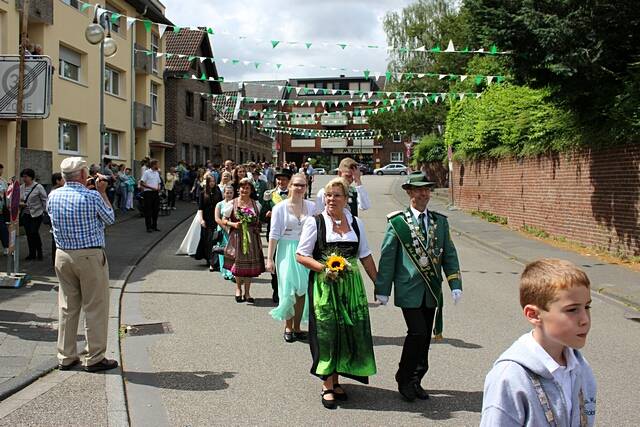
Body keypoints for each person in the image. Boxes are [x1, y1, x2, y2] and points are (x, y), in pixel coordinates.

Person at [374, 174, 462, 402]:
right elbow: (387, 257)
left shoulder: (440, 222)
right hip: (408, 288)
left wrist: (455, 283)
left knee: (424, 338)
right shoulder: (398, 222)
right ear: (409, 192)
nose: (424, 194)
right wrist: (383, 288)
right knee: (418, 332)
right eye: (419, 190)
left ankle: (416, 379)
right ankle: (404, 377)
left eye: (427, 190)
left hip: (431, 288)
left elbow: (449, 254)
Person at [480, 259, 597, 427]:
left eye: (587, 307)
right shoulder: (510, 377)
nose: (585, 319)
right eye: (572, 310)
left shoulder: (580, 367)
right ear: (534, 315)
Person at [296, 177, 378, 410]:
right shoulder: (316, 222)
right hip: (324, 286)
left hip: (351, 287)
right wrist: (324, 268)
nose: (331, 199)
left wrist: (378, 284)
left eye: (337, 195)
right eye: (328, 195)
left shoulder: (356, 223)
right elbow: (301, 255)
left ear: (346, 199)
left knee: (348, 331)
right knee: (327, 331)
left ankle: (337, 378)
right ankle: (327, 384)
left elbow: (365, 256)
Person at [47, 157, 117, 372]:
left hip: (62, 255)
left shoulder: (53, 196)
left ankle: (66, 356)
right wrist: (103, 192)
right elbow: (110, 218)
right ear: (83, 174)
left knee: (67, 306)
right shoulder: (93, 196)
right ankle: (94, 357)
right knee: (94, 306)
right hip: (89, 256)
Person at [266, 173, 317, 342]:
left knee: (302, 289)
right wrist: (269, 258)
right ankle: (288, 326)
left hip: (305, 249)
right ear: (290, 186)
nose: (299, 188)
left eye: (302, 185)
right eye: (296, 185)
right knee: (288, 289)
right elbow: (273, 234)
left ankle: (297, 327)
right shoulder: (279, 208)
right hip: (286, 249)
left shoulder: (311, 206)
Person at [222, 178, 265, 304]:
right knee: (238, 265)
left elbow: (259, 221)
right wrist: (233, 224)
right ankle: (238, 289)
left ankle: (247, 292)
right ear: (238, 189)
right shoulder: (232, 203)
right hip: (237, 237)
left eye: (247, 188)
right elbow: (223, 219)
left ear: (251, 190)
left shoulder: (256, 204)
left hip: (251, 238)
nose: (244, 190)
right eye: (242, 188)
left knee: (249, 267)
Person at [261, 169, 292, 303]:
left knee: (289, 263)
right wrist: (267, 214)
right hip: (274, 234)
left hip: (291, 235)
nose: (281, 182)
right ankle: (276, 289)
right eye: (278, 179)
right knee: (274, 262)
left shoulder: (294, 194)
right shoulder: (269, 195)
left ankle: (289, 289)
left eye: (284, 179)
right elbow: (262, 214)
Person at [194, 175, 223, 271]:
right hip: (206, 219)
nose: (212, 183)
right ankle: (209, 259)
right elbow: (200, 208)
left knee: (214, 240)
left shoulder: (218, 193)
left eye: (213, 181)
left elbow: (221, 206)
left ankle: (213, 261)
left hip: (215, 218)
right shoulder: (203, 193)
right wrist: (201, 220)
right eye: (210, 181)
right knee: (207, 240)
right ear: (207, 182)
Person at [20, 168, 48, 261]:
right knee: (28, 234)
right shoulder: (21, 187)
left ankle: (39, 251)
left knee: (34, 232)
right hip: (26, 214)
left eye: (26, 177)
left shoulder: (38, 187)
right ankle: (31, 253)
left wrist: (46, 211)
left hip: (37, 214)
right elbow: (18, 199)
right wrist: (20, 203)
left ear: (31, 177)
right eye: (23, 177)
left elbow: (44, 199)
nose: (24, 179)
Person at [214, 184, 235, 280]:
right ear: (224, 193)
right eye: (227, 193)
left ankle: (231, 272)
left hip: (233, 229)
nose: (229, 194)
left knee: (232, 251)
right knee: (223, 250)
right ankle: (224, 271)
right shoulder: (219, 204)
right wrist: (226, 228)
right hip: (222, 230)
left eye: (231, 193)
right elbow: (217, 218)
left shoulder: (236, 203)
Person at [140, 159, 162, 233]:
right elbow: (142, 183)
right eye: (157, 164)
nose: (158, 166)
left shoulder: (156, 173)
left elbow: (159, 182)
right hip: (148, 193)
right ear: (153, 165)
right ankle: (148, 227)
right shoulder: (147, 172)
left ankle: (154, 226)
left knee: (156, 210)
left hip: (155, 193)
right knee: (148, 210)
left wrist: (158, 187)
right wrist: (151, 187)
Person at [48, 172, 64, 264]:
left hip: (55, 219)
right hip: (56, 219)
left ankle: (55, 259)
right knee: (55, 240)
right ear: (58, 181)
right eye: (62, 179)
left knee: (55, 239)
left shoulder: (53, 191)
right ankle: (56, 259)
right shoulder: (55, 192)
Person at [0, 164, 9, 254]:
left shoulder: (3, 181)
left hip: (1, 210)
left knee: (3, 229)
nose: (2, 172)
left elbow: (6, 196)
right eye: (1, 170)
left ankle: (6, 247)